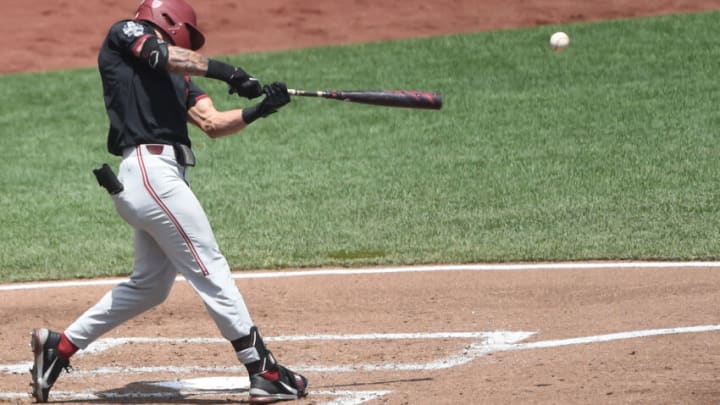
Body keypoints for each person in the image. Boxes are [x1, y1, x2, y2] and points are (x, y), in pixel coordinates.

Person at [29, 0, 308, 403]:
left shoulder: (182, 79)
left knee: (150, 286)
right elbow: (158, 54)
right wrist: (230, 71)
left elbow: (212, 123)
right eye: (188, 38)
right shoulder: (126, 32)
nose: (189, 45)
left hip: (158, 179)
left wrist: (260, 108)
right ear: (171, 22)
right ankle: (263, 370)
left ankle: (61, 346)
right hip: (149, 171)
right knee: (210, 266)